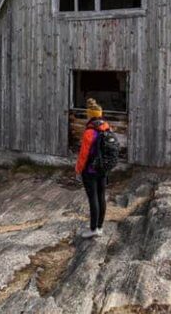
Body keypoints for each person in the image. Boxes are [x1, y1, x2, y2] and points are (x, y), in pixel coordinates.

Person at [75, 98, 109, 239]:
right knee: (101, 197)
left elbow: (84, 154)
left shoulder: (90, 132)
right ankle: (100, 227)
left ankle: (93, 229)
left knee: (93, 198)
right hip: (103, 169)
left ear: (89, 115)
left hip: (90, 170)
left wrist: (78, 169)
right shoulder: (106, 127)